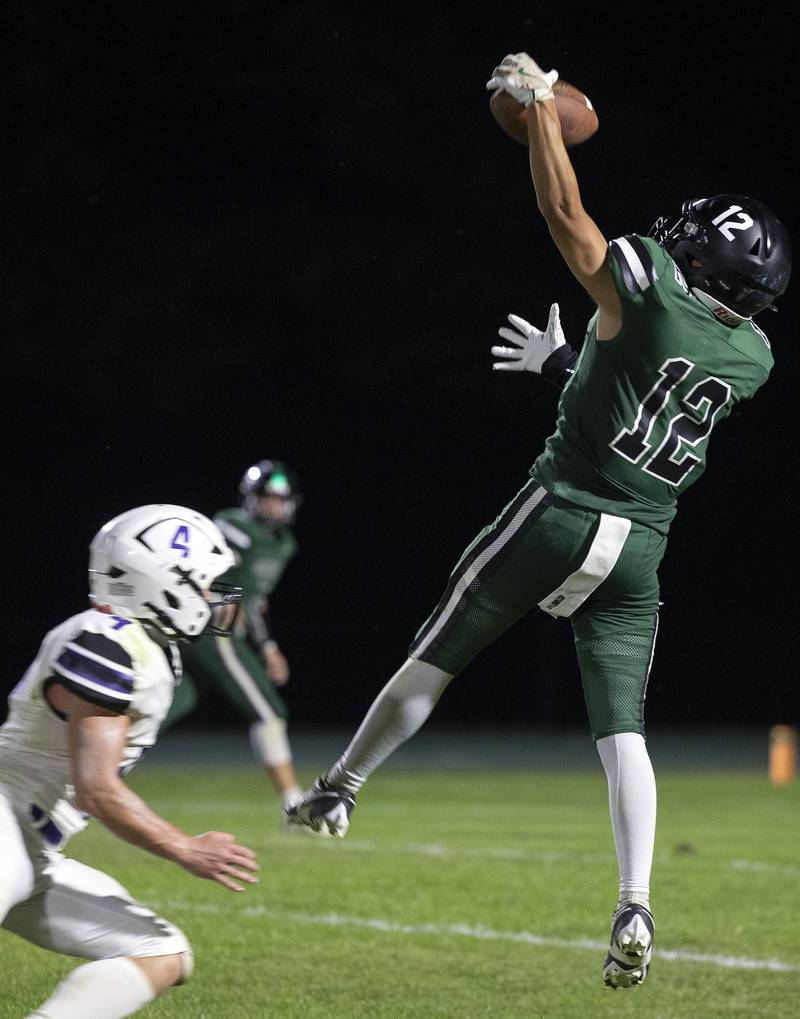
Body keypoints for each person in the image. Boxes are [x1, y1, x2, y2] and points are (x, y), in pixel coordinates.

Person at [286, 51, 792, 991]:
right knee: (622, 728)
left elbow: (570, 221)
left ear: (703, 260)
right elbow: (643, 391)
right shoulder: (755, 353)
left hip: (559, 511)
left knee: (438, 648)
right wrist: (569, 367)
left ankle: (340, 787)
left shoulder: (654, 289)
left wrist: (540, 118)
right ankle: (636, 898)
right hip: (640, 547)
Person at [0, 504, 258, 1019]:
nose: (216, 599)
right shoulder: (107, 642)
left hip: (33, 851)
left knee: (161, 952)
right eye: (206, 584)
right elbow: (96, 787)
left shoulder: (147, 646)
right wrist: (185, 848)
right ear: (166, 582)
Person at [163, 460, 308, 824]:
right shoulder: (232, 526)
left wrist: (268, 646)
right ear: (251, 500)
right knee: (270, 712)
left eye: (280, 499)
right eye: (266, 498)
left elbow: (256, 602)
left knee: (158, 711)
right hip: (213, 631)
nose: (273, 506)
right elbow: (209, 571)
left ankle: (89, 770)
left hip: (218, 634)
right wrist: (223, 598)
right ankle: (294, 805)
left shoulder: (284, 545)